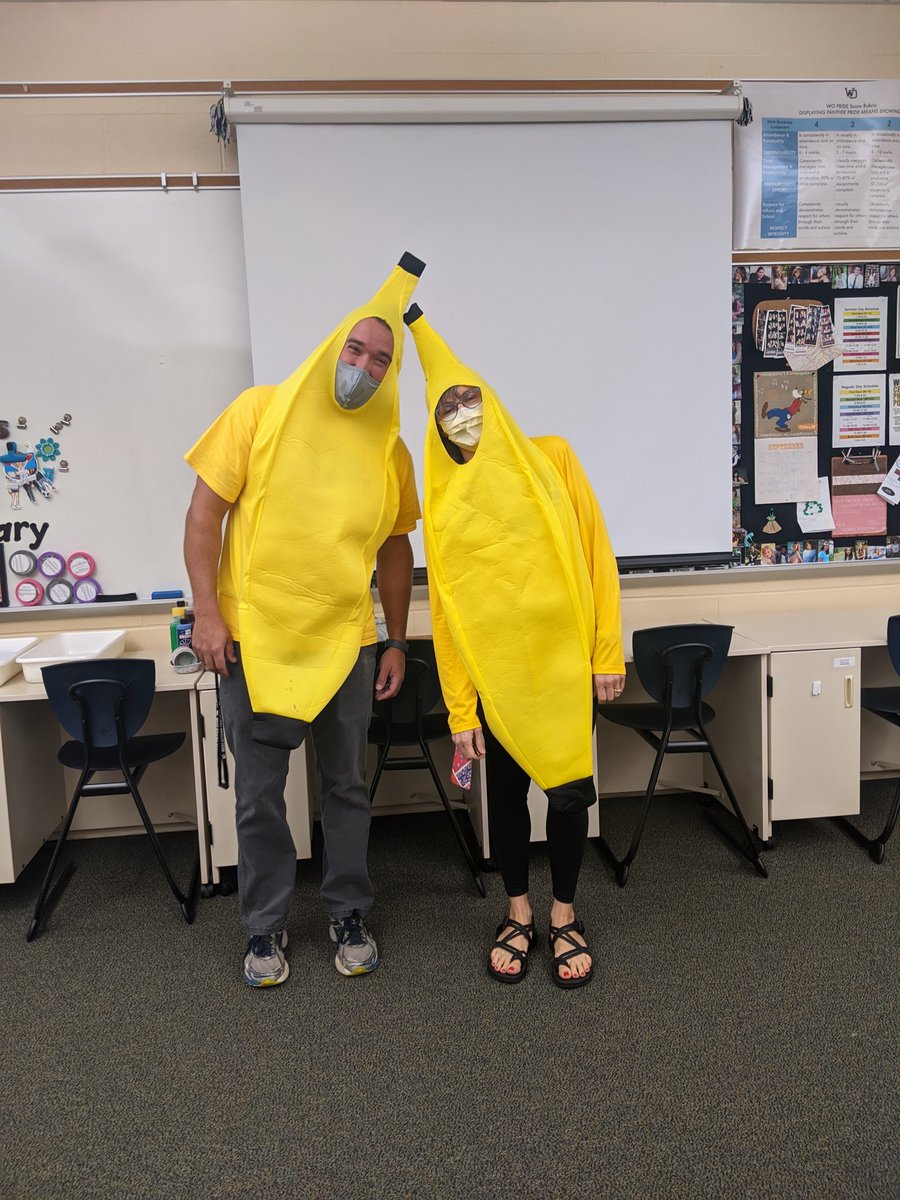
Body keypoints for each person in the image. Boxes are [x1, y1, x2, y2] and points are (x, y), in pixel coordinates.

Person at [183, 253, 424, 987]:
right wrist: (207, 614)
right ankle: (264, 929)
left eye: (381, 359)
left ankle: (348, 911)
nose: (364, 365)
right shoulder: (259, 411)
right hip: (255, 644)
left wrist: (395, 639)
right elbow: (203, 519)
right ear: (332, 347)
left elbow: (394, 548)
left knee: (346, 787)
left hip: (346, 647)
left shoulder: (389, 451)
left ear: (391, 374)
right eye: (355, 349)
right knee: (259, 795)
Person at [404, 304, 624, 990]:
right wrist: (461, 709)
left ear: (490, 400)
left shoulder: (551, 457)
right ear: (437, 429)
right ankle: (517, 911)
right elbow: (447, 613)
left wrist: (606, 653)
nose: (462, 416)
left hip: (561, 671)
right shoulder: (443, 506)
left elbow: (596, 554)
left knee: (566, 796)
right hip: (497, 679)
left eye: (470, 399)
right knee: (504, 797)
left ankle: (563, 914)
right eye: (449, 411)